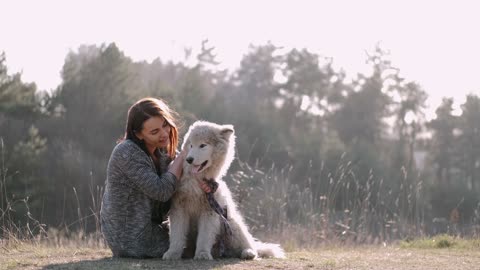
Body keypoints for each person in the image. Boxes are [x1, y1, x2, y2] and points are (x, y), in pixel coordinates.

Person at [100, 97, 210, 258]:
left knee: (209, 238)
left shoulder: (162, 151)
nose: (164, 134)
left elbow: (185, 172)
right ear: (138, 134)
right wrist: (185, 153)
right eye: (154, 131)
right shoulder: (126, 153)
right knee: (197, 248)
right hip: (130, 236)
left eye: (165, 125)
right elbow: (162, 191)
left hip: (153, 228)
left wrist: (207, 185)